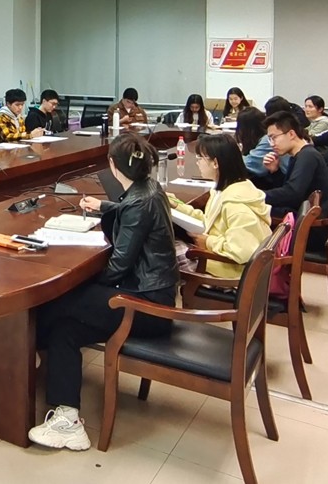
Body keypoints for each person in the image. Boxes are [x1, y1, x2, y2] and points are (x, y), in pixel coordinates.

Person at [30, 133, 178, 451]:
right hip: (154, 295)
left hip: (147, 305)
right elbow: (132, 211)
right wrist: (106, 206)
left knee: (58, 301)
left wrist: (83, 279)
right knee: (65, 329)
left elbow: (117, 267)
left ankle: (25, 354)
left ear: (112, 165)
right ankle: (68, 419)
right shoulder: (150, 188)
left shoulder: (138, 202)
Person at [168, 135, 271, 278]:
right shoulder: (225, 189)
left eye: (200, 158)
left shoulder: (236, 205)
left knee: (164, 251)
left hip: (228, 272)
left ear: (215, 163)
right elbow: (209, 220)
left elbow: (242, 251)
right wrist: (176, 205)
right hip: (219, 259)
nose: (197, 163)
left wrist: (208, 241)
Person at [262, 112, 328, 251]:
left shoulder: (307, 156)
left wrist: (257, 196)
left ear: (291, 134)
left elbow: (292, 193)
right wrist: (275, 171)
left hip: (309, 231)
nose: (272, 144)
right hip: (305, 220)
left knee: (251, 209)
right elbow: (290, 189)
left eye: (274, 137)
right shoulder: (302, 154)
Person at [236, 107, 288, 183]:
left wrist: (232, 154)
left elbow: (250, 163)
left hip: (283, 180)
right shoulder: (262, 137)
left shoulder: (268, 140)